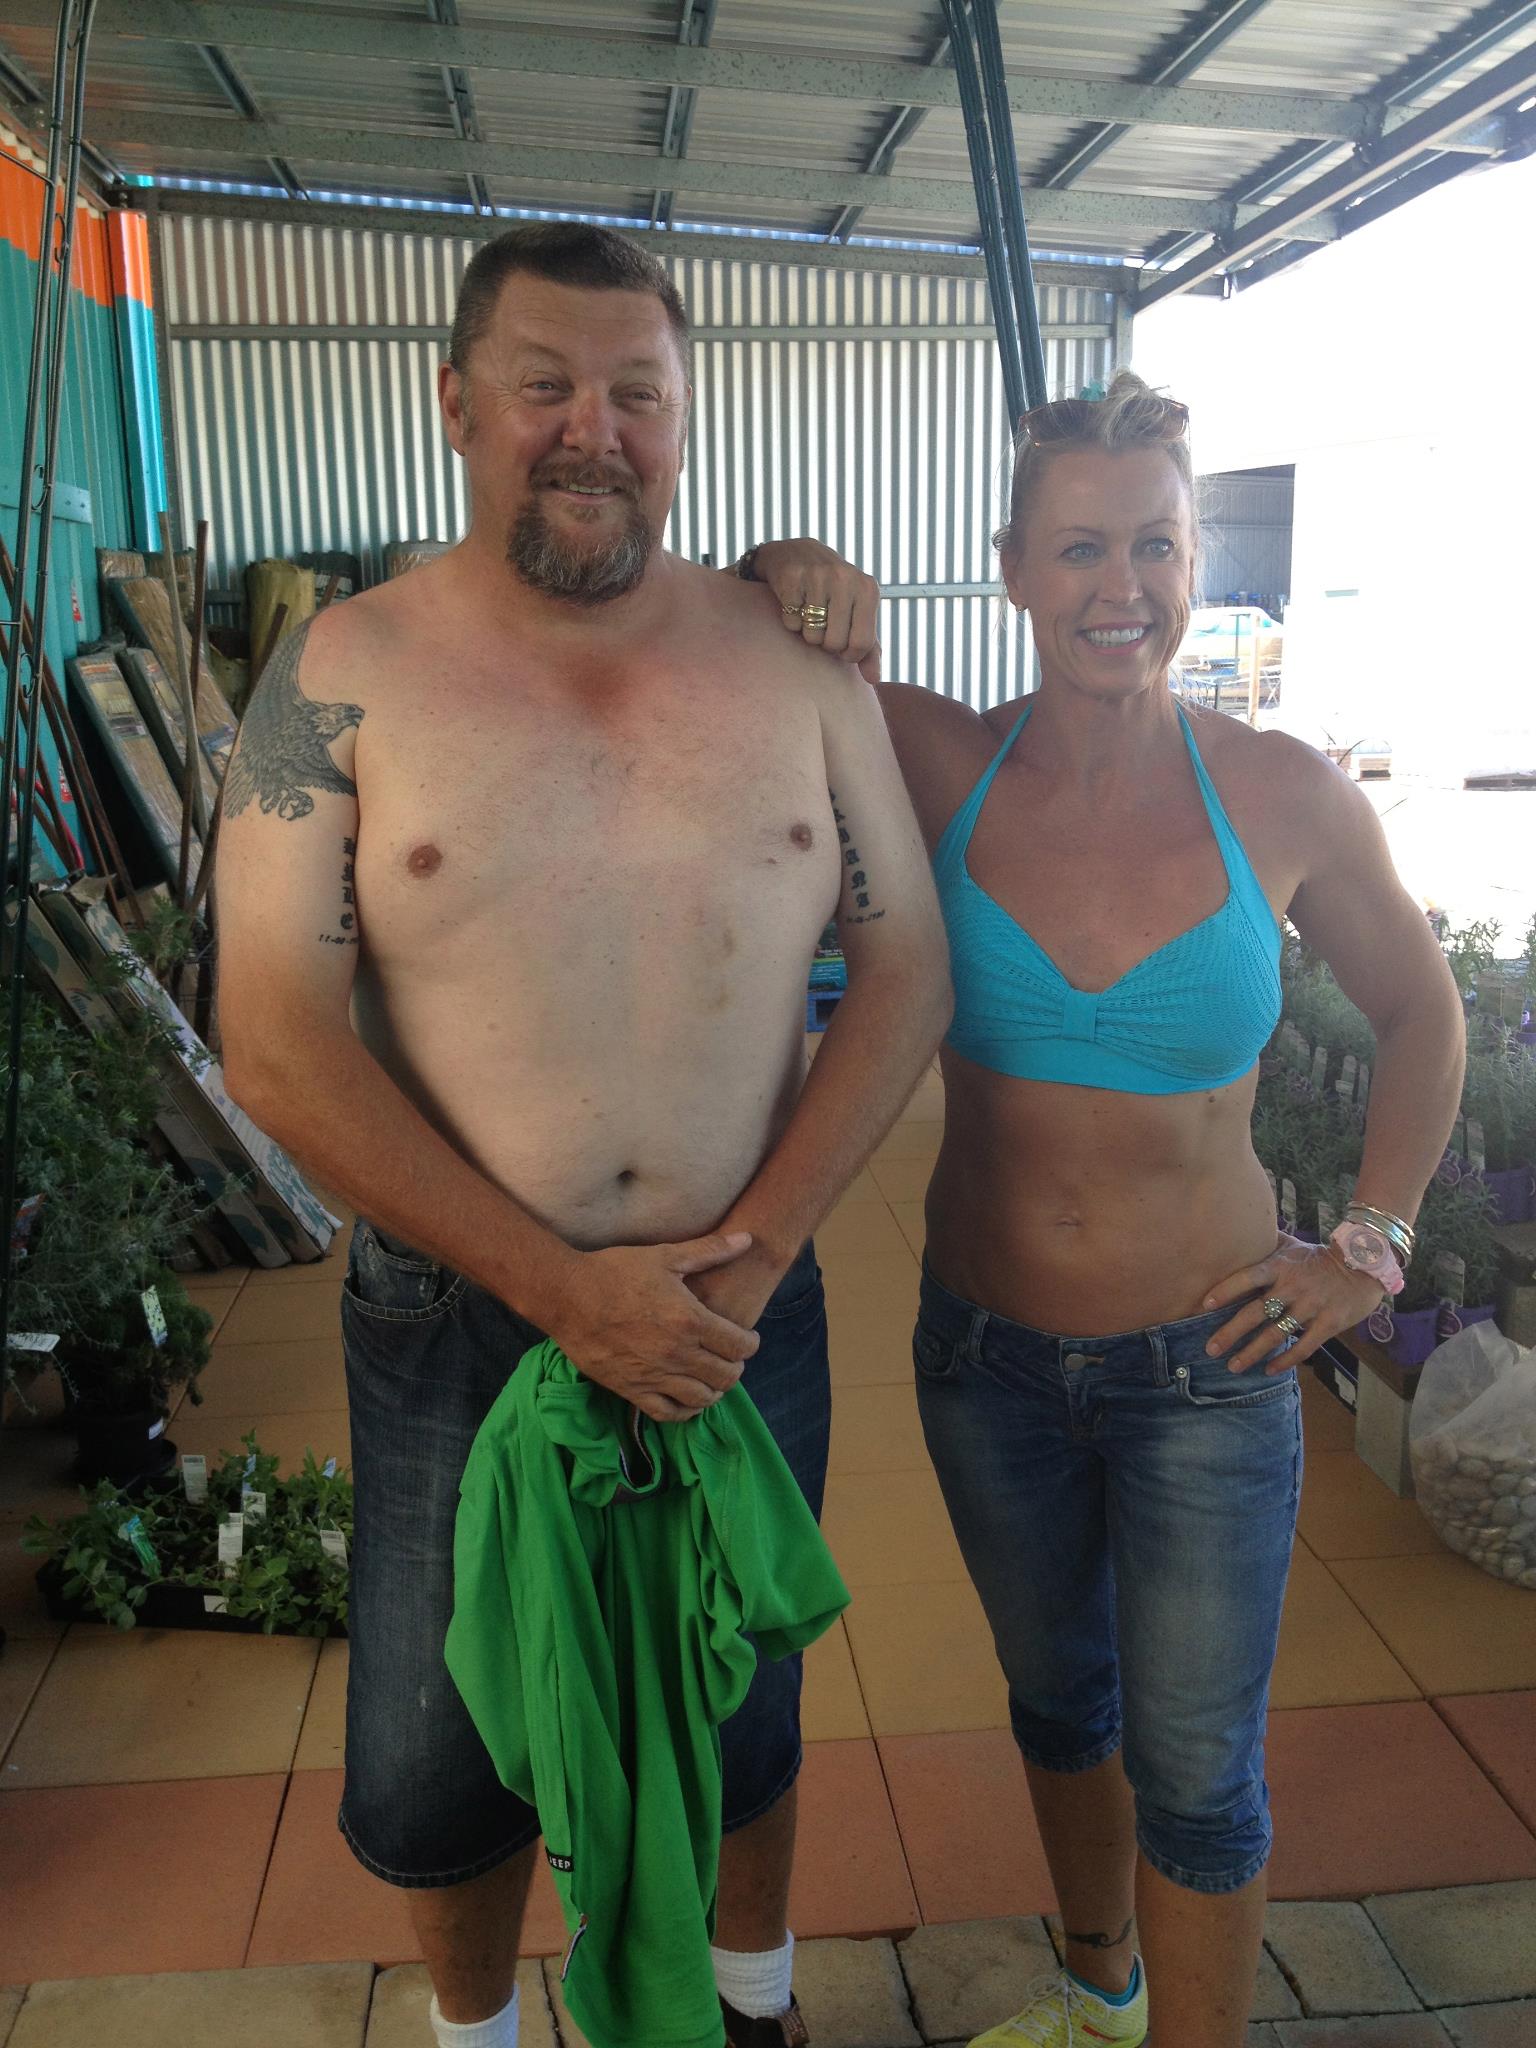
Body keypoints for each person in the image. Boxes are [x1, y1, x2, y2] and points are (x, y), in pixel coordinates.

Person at [216, 222, 950, 2048]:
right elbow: (276, 1042)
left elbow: (910, 964)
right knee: (432, 1749)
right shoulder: (342, 674)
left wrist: (755, 1261)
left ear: (684, 422)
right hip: (457, 1312)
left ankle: (754, 2005)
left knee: (743, 1683)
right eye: (544, 384)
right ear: (457, 403)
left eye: (638, 393)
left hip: (738, 1300)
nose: (591, 430)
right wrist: (563, 1293)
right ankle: (477, 2035)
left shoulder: (800, 666)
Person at [746, 371, 1466, 2048]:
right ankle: (1100, 2000)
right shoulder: (936, 757)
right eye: (1078, 548)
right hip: (986, 1363)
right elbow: (747, 613)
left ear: (1198, 559)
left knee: (1199, 1772)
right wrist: (794, 564)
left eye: (1155, 544)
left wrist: (1373, 1241)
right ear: (1011, 567)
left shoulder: (1281, 791)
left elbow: (1424, 1012)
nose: (1119, 586)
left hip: (1211, 1368)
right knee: (1060, 1706)